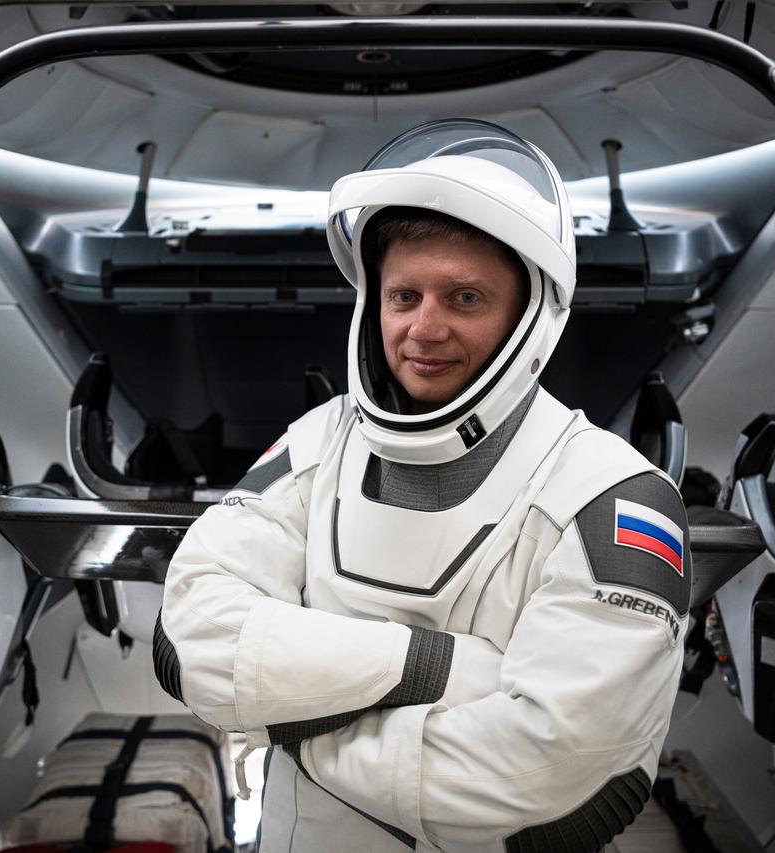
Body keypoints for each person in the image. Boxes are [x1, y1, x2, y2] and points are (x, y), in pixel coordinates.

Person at [154, 119, 691, 853]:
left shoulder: (616, 498)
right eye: (404, 296)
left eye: (464, 298)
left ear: (531, 315)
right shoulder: (319, 440)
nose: (423, 328)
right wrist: (441, 667)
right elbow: (192, 634)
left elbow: (543, 780)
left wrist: (285, 723)